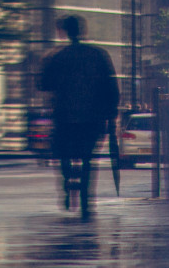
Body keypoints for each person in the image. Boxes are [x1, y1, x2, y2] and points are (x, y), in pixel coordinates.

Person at [38, 15, 120, 218]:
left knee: (64, 153)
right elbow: (111, 87)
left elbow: (43, 84)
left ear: (65, 31)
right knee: (88, 158)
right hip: (93, 118)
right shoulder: (99, 55)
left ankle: (68, 184)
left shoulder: (57, 56)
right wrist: (111, 113)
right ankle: (86, 199)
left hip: (65, 117)